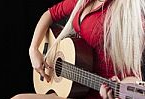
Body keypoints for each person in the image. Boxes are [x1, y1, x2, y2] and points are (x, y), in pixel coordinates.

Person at [11, 0, 145, 99]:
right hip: (75, 90)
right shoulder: (84, 1)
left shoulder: (129, 13)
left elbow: (134, 73)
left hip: (98, 92)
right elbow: (50, 13)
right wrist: (33, 49)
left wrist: (119, 88)